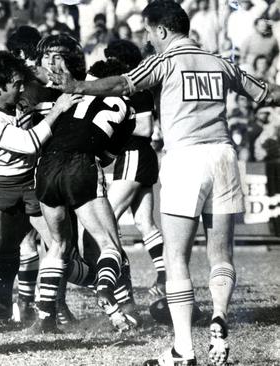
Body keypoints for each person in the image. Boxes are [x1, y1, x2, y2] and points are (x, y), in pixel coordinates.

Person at [53, 1, 280, 364]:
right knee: (221, 255)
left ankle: (183, 349)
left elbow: (124, 83)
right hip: (222, 155)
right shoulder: (218, 61)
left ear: (161, 30)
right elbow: (266, 93)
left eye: (147, 31)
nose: (146, 38)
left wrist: (79, 85)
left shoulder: (165, 61)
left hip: (185, 158)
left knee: (177, 259)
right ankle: (220, 319)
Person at [0, 51, 81, 333]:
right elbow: (29, 143)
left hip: (29, 182)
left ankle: (58, 306)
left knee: (59, 247)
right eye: (15, 84)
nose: (22, 88)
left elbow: (31, 80)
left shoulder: (9, 100)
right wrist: (57, 109)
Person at [30, 34, 136, 333]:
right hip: (81, 165)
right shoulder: (120, 100)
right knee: (109, 244)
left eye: (55, 57)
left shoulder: (44, 94)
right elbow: (106, 155)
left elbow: (36, 134)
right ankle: (105, 291)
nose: (50, 62)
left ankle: (45, 318)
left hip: (46, 167)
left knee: (58, 245)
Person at [102, 39, 167, 297]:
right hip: (137, 156)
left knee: (106, 219)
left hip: (134, 154)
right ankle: (164, 276)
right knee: (144, 223)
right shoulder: (129, 89)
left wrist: (113, 128)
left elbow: (146, 128)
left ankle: (118, 282)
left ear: (122, 61)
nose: (107, 63)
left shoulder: (137, 90)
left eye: (110, 59)